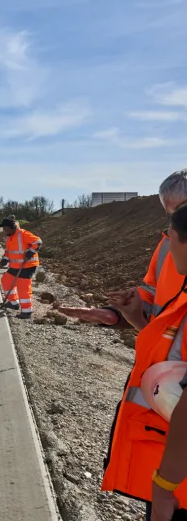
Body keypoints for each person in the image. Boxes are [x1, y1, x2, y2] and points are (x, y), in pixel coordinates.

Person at [100, 201, 187, 521]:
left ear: (180, 238)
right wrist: (135, 318)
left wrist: (165, 487)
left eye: (169, 235)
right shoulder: (182, 300)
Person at [56, 170, 187, 328]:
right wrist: (117, 314)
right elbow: (153, 292)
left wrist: (139, 323)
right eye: (171, 215)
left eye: (182, 212)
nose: (176, 222)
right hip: (159, 349)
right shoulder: (167, 245)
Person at [0, 216, 42, 319]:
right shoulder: (9, 237)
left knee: (23, 288)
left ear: (11, 227)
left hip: (27, 266)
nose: (3, 230)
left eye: (5, 227)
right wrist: (1, 264)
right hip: (15, 266)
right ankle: (13, 303)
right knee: (6, 280)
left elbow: (38, 242)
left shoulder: (23, 234)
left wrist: (29, 255)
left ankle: (27, 311)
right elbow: (8, 254)